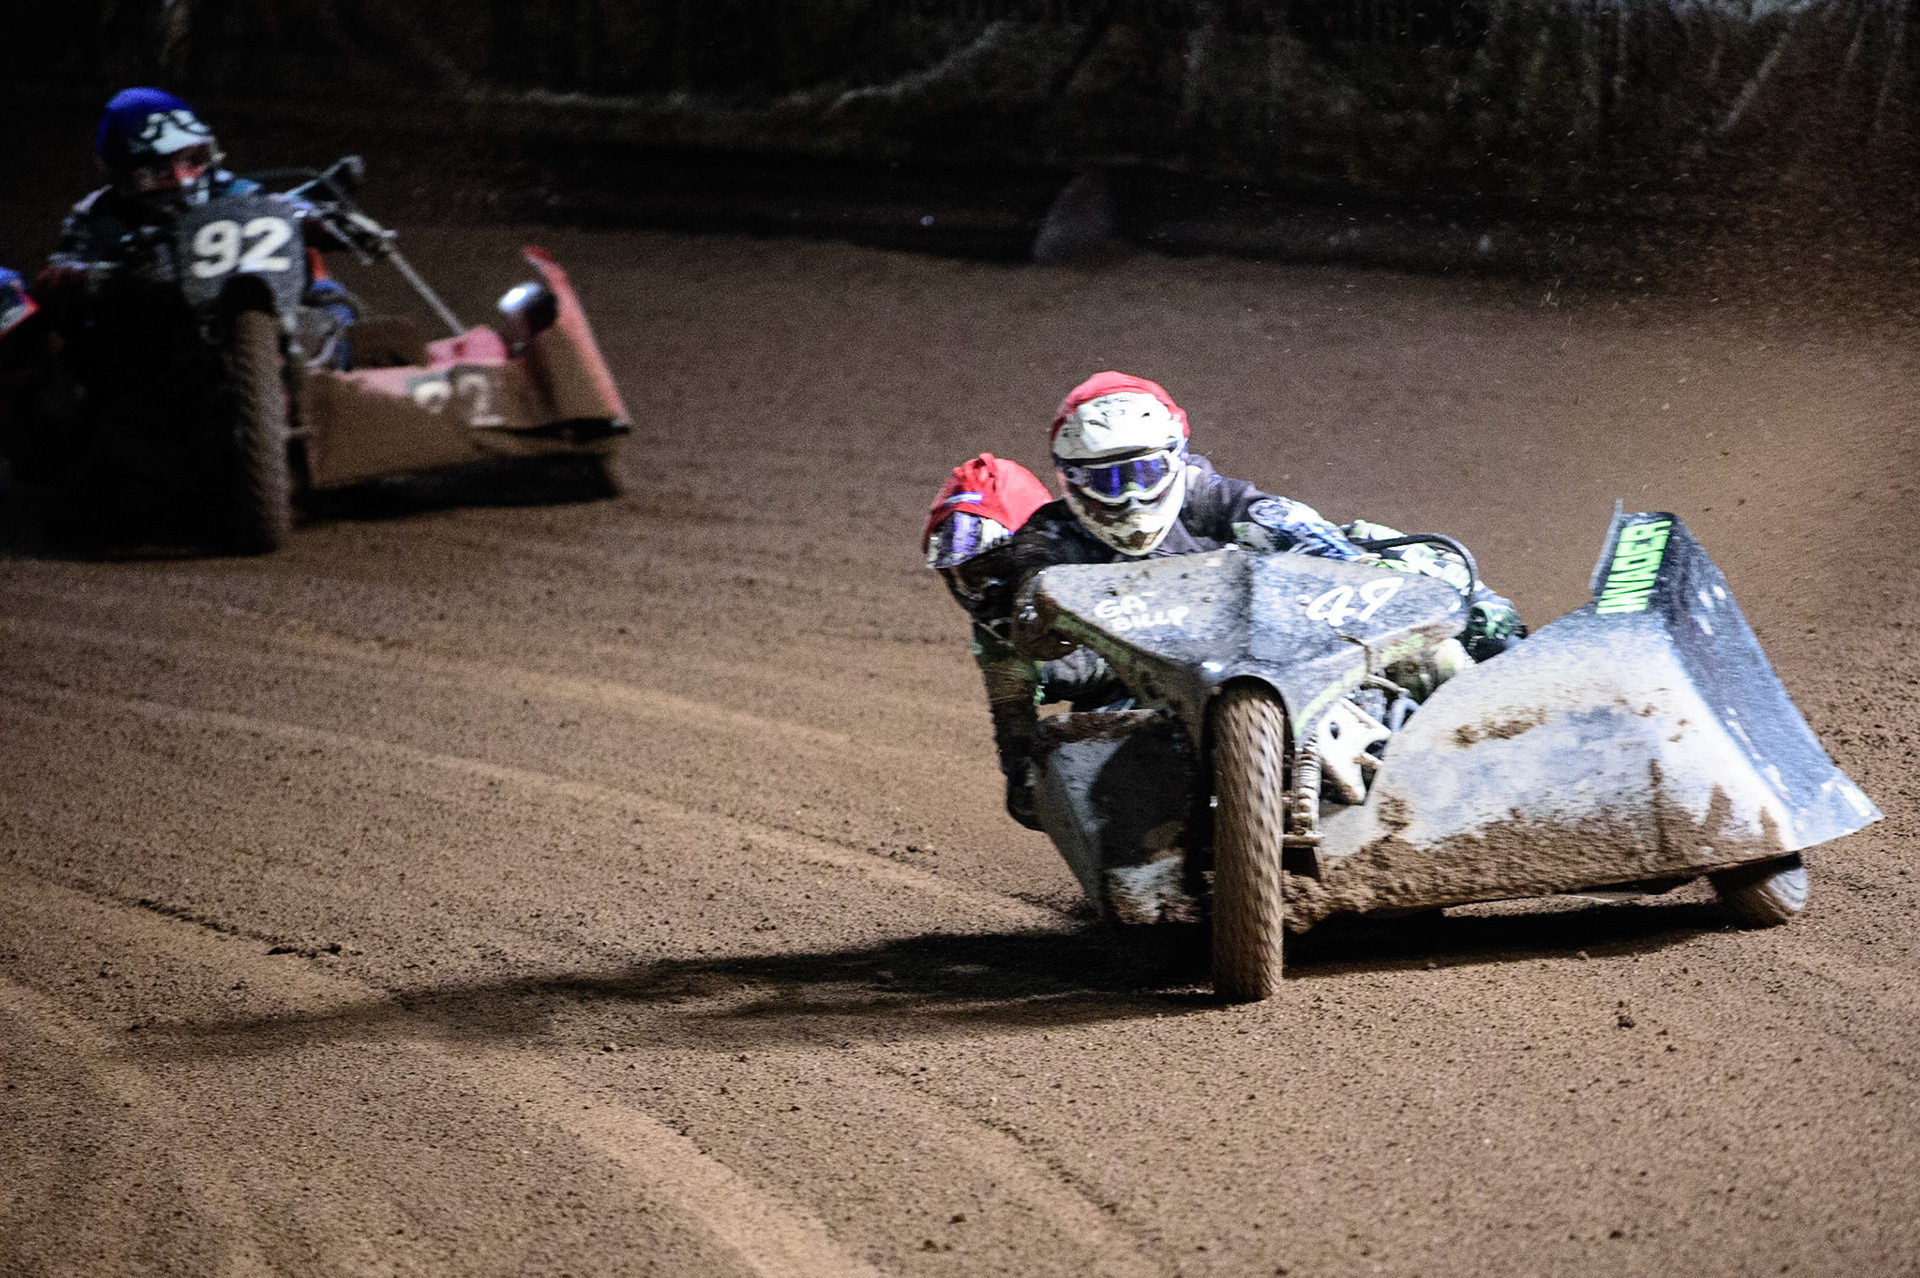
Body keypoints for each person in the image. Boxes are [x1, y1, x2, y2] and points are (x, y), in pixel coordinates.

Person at [981, 370, 1525, 812]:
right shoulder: (1048, 537)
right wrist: (1020, 751)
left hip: (1286, 658)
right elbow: (1019, 623)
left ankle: (1524, 751)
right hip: (1149, 694)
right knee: (1087, 755)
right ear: (1068, 480)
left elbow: (1309, 536)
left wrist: (1358, 565)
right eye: (1105, 481)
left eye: (1145, 472)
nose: (1130, 498)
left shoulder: (1213, 496)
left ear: (1175, 458)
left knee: (1442, 651)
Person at [33, 88, 357, 367]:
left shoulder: (229, 189)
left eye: (192, 160)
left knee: (332, 299)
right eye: (159, 170)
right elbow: (52, 282)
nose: (182, 178)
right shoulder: (97, 215)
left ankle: (330, 387)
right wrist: (107, 276)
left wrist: (320, 221)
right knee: (62, 356)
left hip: (247, 322)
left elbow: (275, 207)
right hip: (148, 349)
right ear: (120, 173)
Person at [924, 453, 1123, 828]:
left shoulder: (1106, 566)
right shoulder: (995, 638)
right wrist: (1025, 774)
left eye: (997, 570)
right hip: (1112, 707)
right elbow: (1013, 720)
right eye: (968, 578)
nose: (985, 592)